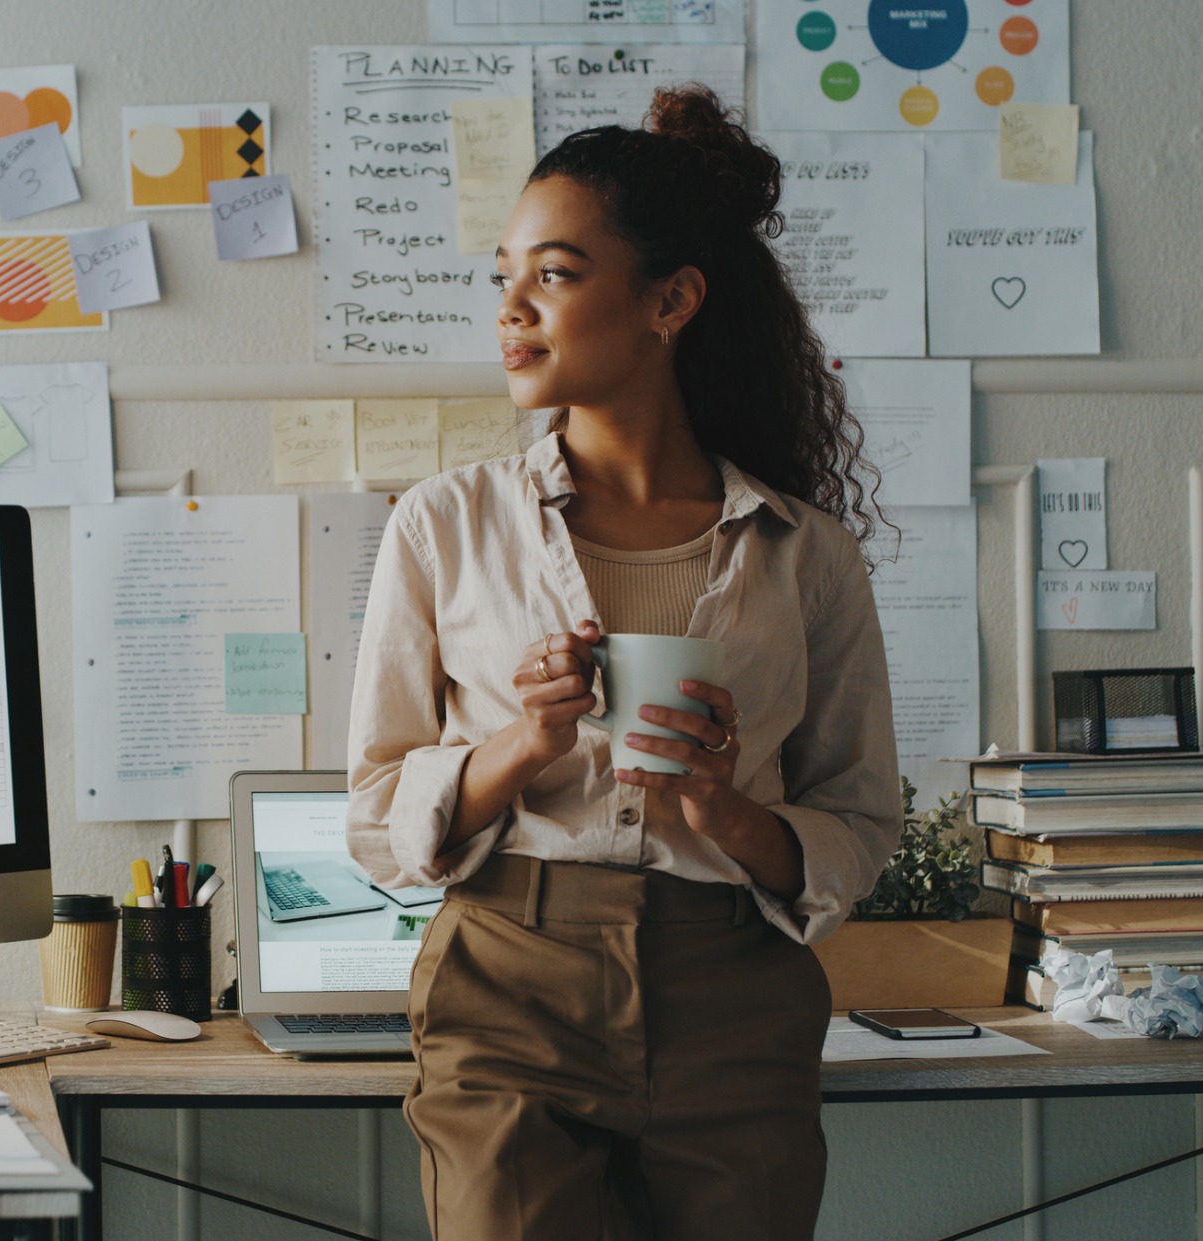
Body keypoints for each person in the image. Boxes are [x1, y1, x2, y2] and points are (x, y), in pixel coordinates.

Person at [346, 84, 903, 1241]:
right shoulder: (442, 523)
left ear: (670, 300)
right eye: (501, 276)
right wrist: (524, 741)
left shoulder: (807, 553)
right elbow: (374, 811)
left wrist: (721, 804)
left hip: (735, 998)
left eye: (551, 274)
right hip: (507, 983)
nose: (510, 308)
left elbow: (858, 821)